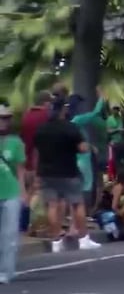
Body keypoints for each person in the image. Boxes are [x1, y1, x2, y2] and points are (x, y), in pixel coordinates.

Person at [34, 95, 101, 252]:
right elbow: (82, 148)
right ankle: (84, 238)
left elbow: (37, 151)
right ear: (63, 109)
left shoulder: (42, 129)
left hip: (46, 172)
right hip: (68, 172)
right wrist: (89, 147)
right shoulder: (70, 128)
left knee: (52, 205)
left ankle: (56, 241)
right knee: (77, 204)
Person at [0, 101, 27, 284]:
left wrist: (23, 191)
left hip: (11, 192)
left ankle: (6, 271)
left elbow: (20, 169)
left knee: (9, 234)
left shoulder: (15, 142)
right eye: (1, 118)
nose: (4, 121)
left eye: (6, 118)